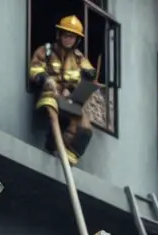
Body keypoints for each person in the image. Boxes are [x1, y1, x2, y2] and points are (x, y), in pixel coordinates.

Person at [28, 15, 96, 166]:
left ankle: (69, 156)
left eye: (72, 37)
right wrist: (45, 79)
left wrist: (78, 85)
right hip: (50, 95)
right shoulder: (45, 51)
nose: (69, 39)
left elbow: (89, 72)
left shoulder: (78, 58)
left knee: (85, 127)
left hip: (69, 100)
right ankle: (53, 143)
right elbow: (35, 69)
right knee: (57, 117)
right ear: (59, 35)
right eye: (66, 35)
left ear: (76, 40)